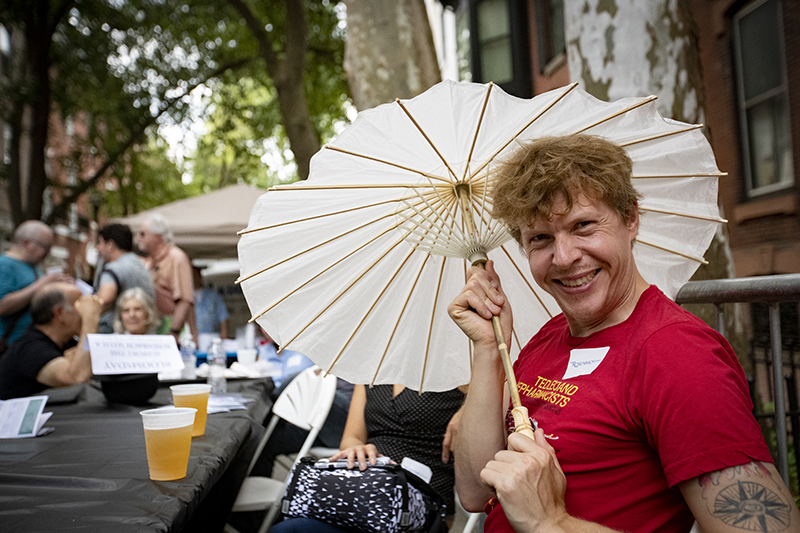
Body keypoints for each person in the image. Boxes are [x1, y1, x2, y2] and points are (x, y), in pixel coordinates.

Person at [447, 135, 799, 533]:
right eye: (541, 238)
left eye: (582, 226)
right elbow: (475, 492)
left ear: (630, 218)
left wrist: (550, 521)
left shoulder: (677, 354)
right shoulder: (550, 335)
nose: (564, 257)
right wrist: (487, 349)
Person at [272, 383, 466, 532]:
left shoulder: (460, 370)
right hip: (365, 492)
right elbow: (351, 438)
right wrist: (358, 449)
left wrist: (468, 407)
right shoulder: (374, 369)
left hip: (421, 503)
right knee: (288, 526)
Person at [0, 283, 102, 400]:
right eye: (81, 307)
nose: (84, 313)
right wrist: (90, 319)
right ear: (59, 313)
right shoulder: (30, 349)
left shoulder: (66, 343)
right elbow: (76, 378)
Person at [0, 220, 72, 345]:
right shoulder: (5, 265)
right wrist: (43, 283)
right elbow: (2, 306)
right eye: (45, 247)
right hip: (11, 344)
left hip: (27, 343)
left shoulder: (32, 267)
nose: (47, 253)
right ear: (26, 243)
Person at [136, 214, 197, 344]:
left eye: (142, 234)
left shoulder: (177, 258)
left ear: (157, 236)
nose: (138, 238)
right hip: (158, 332)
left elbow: (185, 300)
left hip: (176, 336)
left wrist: (174, 332)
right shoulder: (150, 262)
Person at [94, 223, 155, 334]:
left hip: (117, 336)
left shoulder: (113, 269)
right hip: (146, 334)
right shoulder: (141, 266)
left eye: (100, 243)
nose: (98, 248)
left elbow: (104, 299)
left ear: (110, 245)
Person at [193, 265, 229, 339]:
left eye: (195, 275)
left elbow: (223, 314)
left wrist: (224, 332)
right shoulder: (186, 297)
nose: (193, 278)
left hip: (211, 336)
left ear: (200, 276)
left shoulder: (212, 295)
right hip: (193, 336)